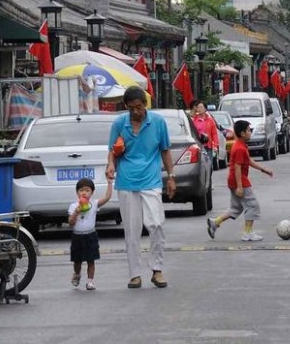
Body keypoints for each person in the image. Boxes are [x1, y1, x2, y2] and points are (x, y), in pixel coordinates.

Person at [106, 86, 176, 289]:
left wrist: (171, 176)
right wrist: (110, 165)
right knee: (132, 230)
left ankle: (157, 269)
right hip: (127, 182)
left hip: (151, 180)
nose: (135, 112)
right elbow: (112, 150)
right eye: (131, 108)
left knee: (156, 224)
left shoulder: (158, 122)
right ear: (126, 107)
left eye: (138, 107)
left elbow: (165, 151)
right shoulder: (119, 123)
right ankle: (134, 274)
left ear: (145, 105)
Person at [206, 119, 273, 241]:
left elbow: (248, 161)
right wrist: (240, 186)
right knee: (253, 206)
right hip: (239, 180)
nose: (250, 132)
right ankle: (247, 232)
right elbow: (237, 167)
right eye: (248, 131)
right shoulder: (239, 148)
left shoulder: (241, 145)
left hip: (234, 181)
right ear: (242, 133)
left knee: (236, 208)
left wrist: (263, 169)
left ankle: (215, 222)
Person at [68, 175, 113, 291]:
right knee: (77, 261)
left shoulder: (94, 204)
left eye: (87, 190)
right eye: (81, 190)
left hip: (90, 235)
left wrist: (109, 183)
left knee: (91, 260)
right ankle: (77, 274)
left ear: (92, 192)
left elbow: (107, 197)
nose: (84, 193)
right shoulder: (73, 206)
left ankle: (90, 281)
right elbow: (70, 223)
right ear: (77, 192)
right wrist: (76, 212)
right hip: (77, 236)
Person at [190, 100, 219, 164]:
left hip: (208, 146)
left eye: (201, 107)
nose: (199, 109)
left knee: (209, 164)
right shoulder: (194, 120)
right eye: (198, 107)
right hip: (199, 146)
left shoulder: (210, 120)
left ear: (205, 109)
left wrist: (215, 145)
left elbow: (214, 134)